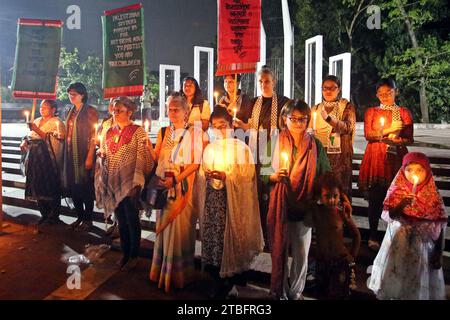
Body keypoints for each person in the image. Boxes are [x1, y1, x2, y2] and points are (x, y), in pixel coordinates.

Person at [266, 99, 331, 300]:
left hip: (305, 205)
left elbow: (325, 173)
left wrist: (325, 193)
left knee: (302, 253)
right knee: (279, 251)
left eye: (302, 119)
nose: (297, 123)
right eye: (292, 118)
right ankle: (280, 292)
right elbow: (262, 172)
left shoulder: (315, 145)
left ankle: (296, 292)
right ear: (283, 119)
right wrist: (274, 177)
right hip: (281, 204)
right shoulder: (274, 142)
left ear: (307, 121)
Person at [197, 107, 264, 298]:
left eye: (223, 126)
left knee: (229, 239)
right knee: (215, 241)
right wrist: (207, 175)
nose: (219, 130)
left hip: (231, 205)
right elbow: (202, 172)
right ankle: (216, 278)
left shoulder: (240, 148)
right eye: (215, 127)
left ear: (231, 125)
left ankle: (228, 282)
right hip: (213, 203)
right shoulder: (210, 148)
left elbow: (247, 176)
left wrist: (228, 175)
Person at [368, 152, 447, 300]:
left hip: (421, 247)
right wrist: (400, 205)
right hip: (398, 243)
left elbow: (439, 223)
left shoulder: (432, 196)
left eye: (419, 170)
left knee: (416, 277)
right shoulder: (397, 190)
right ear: (402, 171)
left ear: (427, 171)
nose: (413, 175)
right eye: (409, 170)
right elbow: (389, 215)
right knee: (395, 275)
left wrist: (438, 252)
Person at [149, 92, 204, 292]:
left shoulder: (195, 133)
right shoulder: (164, 132)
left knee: (181, 232)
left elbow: (195, 163)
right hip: (165, 189)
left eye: (176, 109)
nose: (172, 112)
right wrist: (146, 146)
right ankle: (162, 273)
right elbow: (156, 158)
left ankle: (180, 276)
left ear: (186, 111)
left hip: (183, 190)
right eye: (170, 109)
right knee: (164, 231)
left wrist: (176, 180)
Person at [95, 97, 154, 271]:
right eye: (114, 109)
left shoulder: (138, 131)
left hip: (131, 182)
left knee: (132, 219)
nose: (115, 112)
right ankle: (125, 253)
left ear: (129, 112)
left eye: (119, 110)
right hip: (114, 181)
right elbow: (105, 152)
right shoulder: (108, 131)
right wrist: (101, 155)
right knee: (121, 219)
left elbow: (143, 157)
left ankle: (134, 255)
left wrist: (136, 181)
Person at [234, 66, 290, 247]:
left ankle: (274, 232)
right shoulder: (252, 102)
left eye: (267, 81)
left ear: (274, 82)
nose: (263, 84)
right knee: (256, 192)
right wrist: (239, 123)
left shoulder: (283, 102)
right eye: (260, 81)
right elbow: (243, 126)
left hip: (274, 152)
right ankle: (258, 232)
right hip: (256, 153)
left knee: (273, 193)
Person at [358, 78, 414, 251]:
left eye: (388, 93)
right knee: (375, 198)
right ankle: (373, 235)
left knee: (397, 198)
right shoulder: (372, 112)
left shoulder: (403, 112)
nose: (385, 97)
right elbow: (369, 134)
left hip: (396, 159)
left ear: (396, 91)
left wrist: (397, 141)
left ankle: (395, 236)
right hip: (376, 158)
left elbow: (409, 138)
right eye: (381, 94)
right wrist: (388, 130)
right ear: (376, 95)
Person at [305, 172, 360, 299]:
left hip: (340, 261)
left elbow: (356, 236)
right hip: (321, 263)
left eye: (335, 196)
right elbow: (305, 202)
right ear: (320, 195)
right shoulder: (316, 211)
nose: (331, 200)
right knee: (322, 294)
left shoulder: (342, 214)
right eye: (327, 196)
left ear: (340, 195)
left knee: (338, 295)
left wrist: (352, 257)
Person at [309, 75, 356, 196]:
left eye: (332, 88)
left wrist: (329, 119)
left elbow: (347, 127)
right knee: (321, 190)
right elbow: (309, 129)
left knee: (339, 191)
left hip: (339, 158)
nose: (328, 91)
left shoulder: (345, 106)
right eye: (325, 88)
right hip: (320, 155)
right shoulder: (316, 109)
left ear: (339, 89)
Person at [20, 100, 65, 225]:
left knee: (50, 185)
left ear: (53, 109)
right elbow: (30, 135)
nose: (42, 109)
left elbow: (57, 140)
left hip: (48, 158)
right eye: (41, 107)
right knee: (37, 184)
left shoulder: (57, 122)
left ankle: (53, 215)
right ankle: (44, 213)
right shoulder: (36, 120)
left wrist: (37, 130)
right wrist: (24, 141)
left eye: (45, 107)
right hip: (35, 157)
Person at [63, 82, 99, 231]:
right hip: (71, 154)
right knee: (74, 187)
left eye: (74, 94)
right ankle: (79, 217)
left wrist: (90, 156)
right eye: (69, 94)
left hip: (84, 153)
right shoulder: (70, 111)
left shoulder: (90, 111)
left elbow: (93, 135)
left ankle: (88, 219)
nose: (71, 97)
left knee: (86, 188)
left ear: (82, 95)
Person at [94, 97, 119, 238]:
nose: (113, 108)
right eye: (112, 105)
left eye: (117, 106)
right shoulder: (105, 123)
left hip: (119, 167)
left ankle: (120, 225)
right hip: (105, 163)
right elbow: (100, 141)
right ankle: (113, 223)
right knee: (109, 195)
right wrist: (99, 149)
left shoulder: (128, 126)